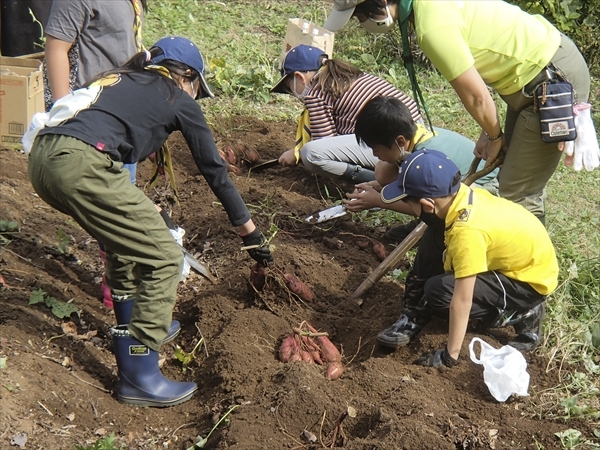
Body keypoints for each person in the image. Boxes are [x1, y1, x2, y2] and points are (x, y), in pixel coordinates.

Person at [27, 37, 273, 406]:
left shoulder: (121, 79)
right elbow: (214, 171)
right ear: (185, 76)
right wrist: (249, 232)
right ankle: (140, 370)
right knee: (164, 257)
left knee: (123, 246)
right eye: (195, 87)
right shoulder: (176, 97)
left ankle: (132, 328)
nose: (194, 94)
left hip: (45, 158)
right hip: (81, 164)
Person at [323, 0, 591, 224]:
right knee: (513, 177)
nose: (361, 23)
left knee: (516, 193)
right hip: (529, 76)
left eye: (359, 15)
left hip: (549, 80)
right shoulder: (427, 7)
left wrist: (495, 136)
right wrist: (490, 131)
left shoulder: (432, 29)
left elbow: (475, 95)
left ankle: (525, 278)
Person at [375, 149, 558, 366]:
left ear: (427, 205)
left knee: (440, 292)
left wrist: (449, 356)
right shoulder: (461, 197)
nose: (409, 208)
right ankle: (415, 312)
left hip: (527, 281)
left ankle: (524, 313)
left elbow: (461, 300)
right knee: (435, 228)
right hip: (514, 258)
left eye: (408, 203)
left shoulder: (467, 232)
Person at [344, 95, 498, 240]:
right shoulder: (411, 136)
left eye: (376, 150)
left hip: (485, 188)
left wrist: (379, 200)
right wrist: (377, 187)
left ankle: (435, 229)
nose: (374, 154)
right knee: (383, 171)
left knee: (438, 206)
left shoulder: (424, 157)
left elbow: (431, 201)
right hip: (451, 182)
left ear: (400, 141)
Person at [270, 44, 422, 184]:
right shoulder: (348, 75)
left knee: (310, 154)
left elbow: (324, 144)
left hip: (391, 144)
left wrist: (297, 154)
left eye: (289, 86)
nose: (292, 92)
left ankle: (378, 181)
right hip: (416, 133)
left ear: (299, 77)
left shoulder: (316, 93)